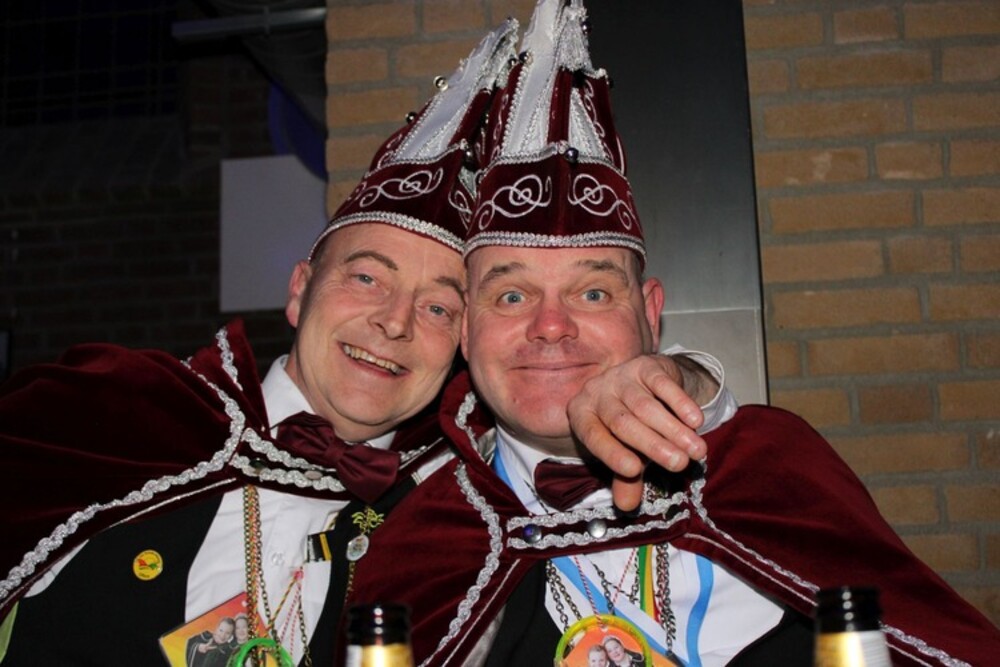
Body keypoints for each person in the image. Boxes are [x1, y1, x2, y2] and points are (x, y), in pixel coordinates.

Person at [0, 18, 726, 666]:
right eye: (367, 278)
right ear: (299, 289)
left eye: (438, 306)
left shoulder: (455, 504)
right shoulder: (118, 418)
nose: (395, 322)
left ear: (463, 341)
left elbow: (578, 418)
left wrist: (680, 378)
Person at [343, 2, 1000, 666]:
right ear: (466, 331)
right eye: (512, 295)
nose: (551, 325)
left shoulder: (776, 468)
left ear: (650, 313)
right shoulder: (416, 548)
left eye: (593, 292)